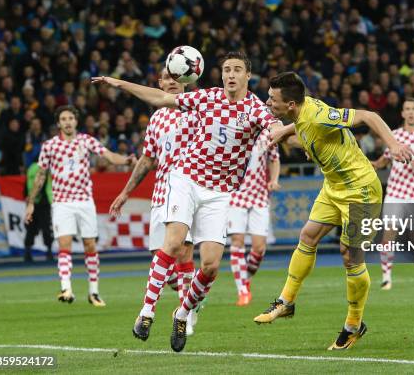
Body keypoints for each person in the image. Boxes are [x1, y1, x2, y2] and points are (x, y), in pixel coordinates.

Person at [92, 51, 280, 352]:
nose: (230, 75)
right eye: (226, 70)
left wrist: (301, 132)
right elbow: (159, 98)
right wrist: (119, 83)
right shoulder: (208, 97)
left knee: (210, 266)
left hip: (220, 193)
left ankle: (182, 313)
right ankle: (146, 313)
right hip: (186, 179)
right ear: (220, 75)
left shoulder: (255, 109)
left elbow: (274, 129)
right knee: (175, 243)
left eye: (237, 70)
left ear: (247, 76)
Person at [254, 71, 413, 350]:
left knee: (350, 256)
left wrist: (394, 144)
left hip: (360, 189)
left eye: (272, 99)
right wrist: (284, 131)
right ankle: (286, 302)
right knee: (308, 236)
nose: (268, 102)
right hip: (333, 186)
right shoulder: (302, 112)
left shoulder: (318, 115)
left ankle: (353, 325)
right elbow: (303, 125)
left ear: (291, 104)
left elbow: (368, 117)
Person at [109, 68, 198, 338]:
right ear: (159, 83)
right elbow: (147, 160)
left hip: (190, 190)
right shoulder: (157, 118)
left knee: (182, 251)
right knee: (161, 258)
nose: (171, 82)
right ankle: (189, 299)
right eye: (166, 78)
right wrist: (125, 192)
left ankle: (184, 317)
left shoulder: (197, 109)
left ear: (187, 80)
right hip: (161, 194)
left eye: (176, 77)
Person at [24, 105, 136, 306]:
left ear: (76, 121)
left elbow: (108, 155)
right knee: (64, 244)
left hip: (84, 200)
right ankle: (66, 288)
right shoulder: (49, 146)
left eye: (71, 118)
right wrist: (31, 202)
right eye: (64, 119)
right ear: (58, 123)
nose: (67, 122)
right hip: (62, 202)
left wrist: (126, 161)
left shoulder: (86, 141)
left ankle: (94, 292)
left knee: (90, 246)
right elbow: (41, 175)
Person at [371, 97, 414, 290]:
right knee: (388, 235)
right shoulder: (393, 136)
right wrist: (374, 165)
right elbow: (384, 160)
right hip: (395, 191)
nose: (410, 112)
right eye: (407, 109)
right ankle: (386, 277)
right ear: (402, 113)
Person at [227, 128, 280, 306]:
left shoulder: (267, 135)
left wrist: (274, 179)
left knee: (259, 248)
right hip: (235, 194)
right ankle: (242, 291)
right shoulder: (232, 130)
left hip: (259, 195)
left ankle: (245, 279)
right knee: (237, 240)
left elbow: (274, 160)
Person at [24, 156, 53, 263]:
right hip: (43, 202)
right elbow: (41, 183)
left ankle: (27, 253)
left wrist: (28, 197)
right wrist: (36, 196)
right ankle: (49, 252)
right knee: (46, 227)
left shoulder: (30, 168)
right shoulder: (43, 167)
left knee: (30, 227)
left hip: (31, 203)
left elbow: (26, 183)